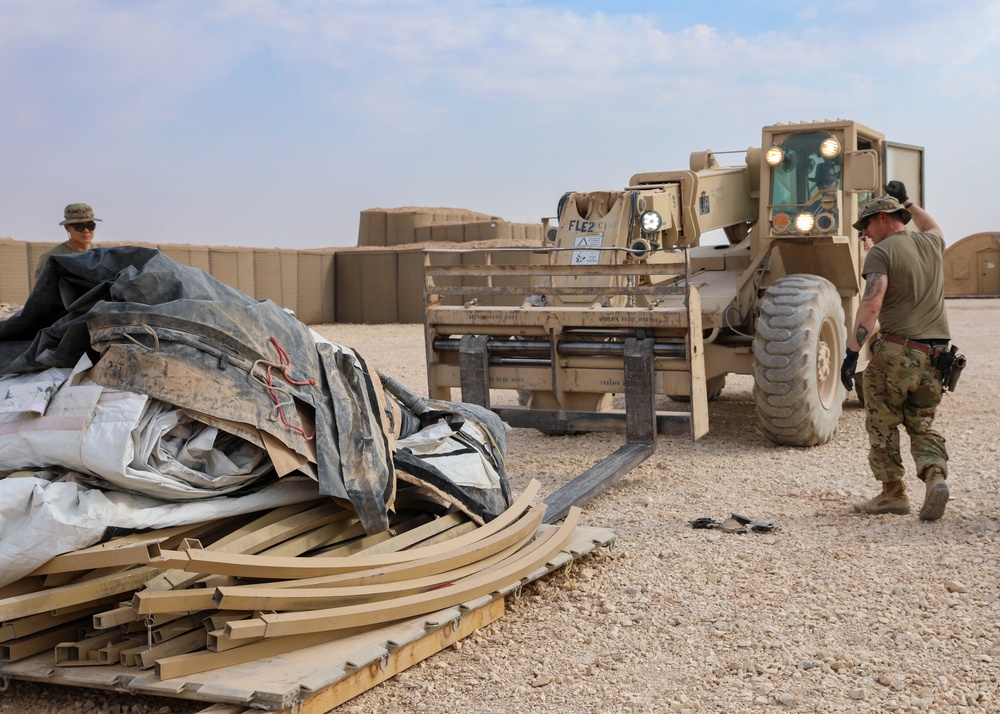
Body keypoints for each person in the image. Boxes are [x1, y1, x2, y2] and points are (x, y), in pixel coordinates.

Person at [840, 182, 951, 521]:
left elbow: (871, 305)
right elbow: (932, 226)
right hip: (937, 357)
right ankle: (935, 478)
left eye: (867, 224)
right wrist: (909, 201)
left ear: (884, 219)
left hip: (898, 353)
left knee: (882, 422)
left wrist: (851, 352)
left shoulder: (882, 252)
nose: (866, 232)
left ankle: (893, 495)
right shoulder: (932, 243)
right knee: (921, 423)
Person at [33, 203, 102, 279]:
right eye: (79, 226)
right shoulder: (53, 257)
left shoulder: (102, 255)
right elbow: (39, 288)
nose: (86, 230)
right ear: (67, 227)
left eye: (90, 226)